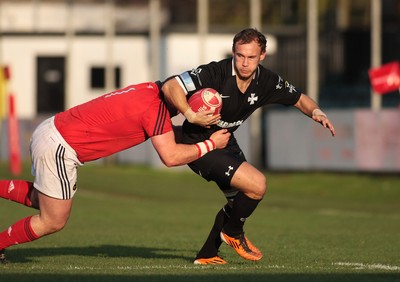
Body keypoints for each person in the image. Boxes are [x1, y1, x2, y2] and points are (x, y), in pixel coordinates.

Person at [0, 81, 231, 263]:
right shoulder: (156, 110)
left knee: (42, 199)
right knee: (53, 220)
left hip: (52, 129)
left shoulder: (149, 89)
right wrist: (210, 144)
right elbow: (170, 157)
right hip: (61, 146)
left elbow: (159, 128)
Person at [161, 28, 336, 265]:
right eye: (240, 55)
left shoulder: (267, 81)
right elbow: (170, 86)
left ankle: (207, 254)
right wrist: (190, 114)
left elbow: (299, 98)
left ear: (262, 55)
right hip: (198, 144)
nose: (244, 63)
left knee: (238, 203)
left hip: (225, 140)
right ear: (233, 52)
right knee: (257, 185)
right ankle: (233, 233)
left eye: (251, 57)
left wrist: (317, 112)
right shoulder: (215, 72)